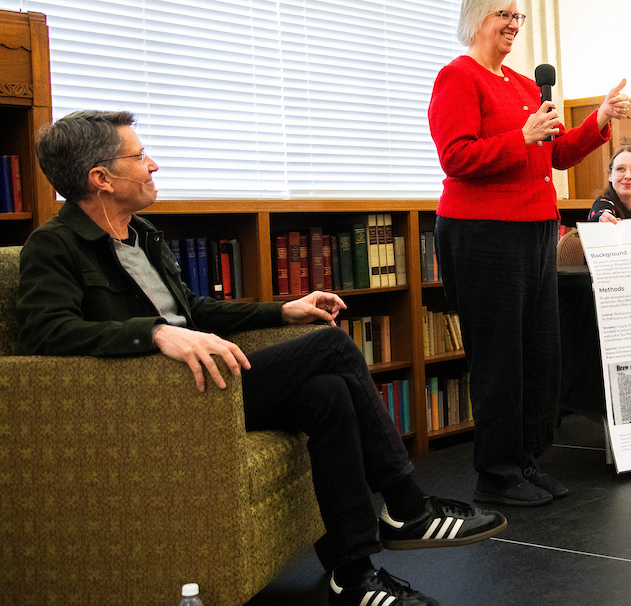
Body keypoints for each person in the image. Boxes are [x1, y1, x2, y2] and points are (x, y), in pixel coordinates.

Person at [17, 111, 502, 606]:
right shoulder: (52, 247)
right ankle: (406, 505)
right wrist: (156, 334)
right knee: (334, 346)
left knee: (328, 394)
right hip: (156, 398)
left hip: (207, 383)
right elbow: (45, 333)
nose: (153, 165)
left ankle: (353, 576)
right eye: (139, 156)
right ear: (101, 178)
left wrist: (283, 310)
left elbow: (195, 309)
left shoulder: (144, 235)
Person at [428, 0, 629, 508]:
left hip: (535, 230)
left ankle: (525, 461)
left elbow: (557, 154)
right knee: (500, 359)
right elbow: (457, 157)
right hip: (483, 233)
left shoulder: (521, 85)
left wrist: (599, 121)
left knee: (540, 354)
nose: (514, 24)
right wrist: (520, 137)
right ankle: (495, 473)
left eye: (518, 16)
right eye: (504, 14)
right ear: (477, 18)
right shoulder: (457, 77)